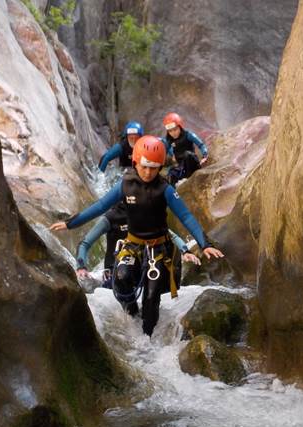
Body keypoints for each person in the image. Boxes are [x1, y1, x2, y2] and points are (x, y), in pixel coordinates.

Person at [51, 135, 223, 335]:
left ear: (160, 166)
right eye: (144, 166)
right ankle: (132, 314)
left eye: (154, 167)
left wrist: (205, 244)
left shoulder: (165, 189)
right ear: (135, 163)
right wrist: (70, 223)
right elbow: (99, 207)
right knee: (122, 278)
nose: (148, 172)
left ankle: (148, 335)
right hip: (133, 245)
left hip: (158, 248)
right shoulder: (125, 185)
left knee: (151, 296)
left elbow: (186, 216)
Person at [75, 201, 199, 289]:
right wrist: (81, 267)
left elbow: (171, 235)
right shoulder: (111, 217)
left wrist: (185, 251)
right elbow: (84, 244)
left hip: (143, 268)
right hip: (115, 272)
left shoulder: (146, 214)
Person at [162, 112, 208, 185]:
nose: (173, 133)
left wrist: (205, 156)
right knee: (171, 172)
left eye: (175, 129)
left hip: (192, 163)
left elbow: (201, 145)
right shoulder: (169, 140)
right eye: (170, 131)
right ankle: (175, 192)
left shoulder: (188, 135)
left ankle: (189, 179)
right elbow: (164, 152)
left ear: (180, 126)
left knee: (187, 154)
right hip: (182, 167)